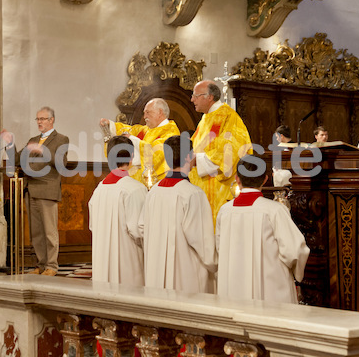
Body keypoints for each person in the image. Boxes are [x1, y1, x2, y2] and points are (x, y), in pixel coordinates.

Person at [216, 154, 310, 303]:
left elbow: (220, 249)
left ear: (237, 179)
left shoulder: (224, 211)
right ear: (266, 179)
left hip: (233, 290)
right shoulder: (274, 210)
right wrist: (296, 274)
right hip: (271, 292)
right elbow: (295, 250)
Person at [138, 135, 216, 293]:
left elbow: (141, 228)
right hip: (186, 276)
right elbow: (202, 241)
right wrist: (217, 264)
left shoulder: (154, 192)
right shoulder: (192, 194)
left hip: (155, 274)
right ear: (189, 156)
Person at [189, 80, 252, 225]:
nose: (192, 99)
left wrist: (197, 159)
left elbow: (231, 150)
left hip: (220, 189)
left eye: (195, 96)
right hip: (202, 187)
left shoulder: (228, 116)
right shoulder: (205, 118)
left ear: (209, 97)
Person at [15, 107, 69, 276]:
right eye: (37, 119)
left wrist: (42, 151)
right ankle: (41, 264)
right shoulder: (33, 139)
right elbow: (17, 158)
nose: (39, 122)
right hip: (31, 189)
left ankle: (52, 266)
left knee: (49, 231)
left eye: (43, 119)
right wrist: (9, 145)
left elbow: (62, 163)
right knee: (36, 232)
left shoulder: (61, 139)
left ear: (51, 120)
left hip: (47, 188)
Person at [88, 136, 147, 286]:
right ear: (132, 157)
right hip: (127, 262)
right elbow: (139, 230)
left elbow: (92, 227)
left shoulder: (99, 189)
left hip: (102, 262)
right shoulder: (135, 189)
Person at [100, 98, 180, 186]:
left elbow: (156, 155)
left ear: (160, 112)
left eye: (148, 112)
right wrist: (111, 125)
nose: (145, 116)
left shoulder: (171, 132)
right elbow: (129, 130)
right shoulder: (146, 129)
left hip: (157, 183)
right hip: (136, 181)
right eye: (144, 113)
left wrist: (133, 139)